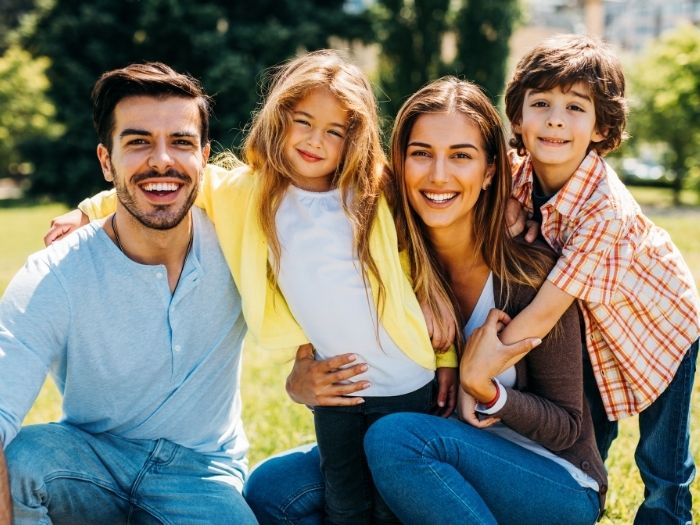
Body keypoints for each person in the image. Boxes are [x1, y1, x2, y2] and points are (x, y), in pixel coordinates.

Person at [50, 50, 459, 525]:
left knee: (396, 504)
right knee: (345, 501)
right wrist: (85, 210)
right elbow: (170, 182)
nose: (315, 141)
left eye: (335, 131)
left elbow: (427, 273)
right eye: (302, 121)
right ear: (279, 118)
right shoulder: (248, 193)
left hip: (409, 380)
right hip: (333, 390)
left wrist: (446, 358)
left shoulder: (375, 192)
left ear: (356, 138)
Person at [244, 78, 607, 525]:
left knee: (395, 440)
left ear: (490, 170)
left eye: (461, 155)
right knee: (273, 488)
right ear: (398, 163)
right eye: (421, 153)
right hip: (425, 451)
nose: (438, 175)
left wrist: (485, 388)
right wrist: (302, 384)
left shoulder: (528, 275)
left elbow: (568, 426)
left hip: (550, 482)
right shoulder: (387, 260)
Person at [0, 62, 258, 524]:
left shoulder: (241, 245)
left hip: (201, 474)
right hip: (88, 462)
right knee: (23, 462)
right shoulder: (55, 273)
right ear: (106, 161)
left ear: (203, 156)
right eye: (138, 142)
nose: (162, 160)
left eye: (180, 143)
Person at [497, 34, 699, 525]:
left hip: (662, 327)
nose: (556, 119)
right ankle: (576, 500)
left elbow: (543, 313)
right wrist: (505, 202)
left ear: (601, 125)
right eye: (541, 102)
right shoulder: (517, 173)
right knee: (588, 433)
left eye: (575, 106)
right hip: (597, 333)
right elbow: (486, 175)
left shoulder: (603, 210)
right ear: (518, 116)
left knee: (661, 457)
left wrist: (488, 357)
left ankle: (666, 517)